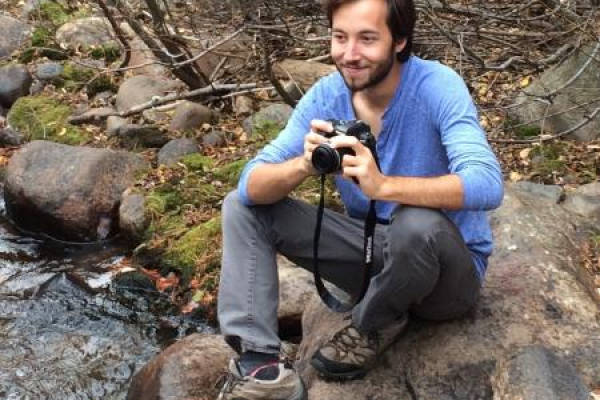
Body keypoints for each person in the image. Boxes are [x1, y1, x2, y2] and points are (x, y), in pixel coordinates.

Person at [215, 0, 504, 398]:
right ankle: (261, 367)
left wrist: (383, 186)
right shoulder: (327, 96)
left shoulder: (436, 86)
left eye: (367, 39)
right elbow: (250, 182)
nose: (349, 54)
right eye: (340, 37)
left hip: (444, 276)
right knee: (243, 207)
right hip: (372, 254)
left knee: (414, 223)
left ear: (399, 40)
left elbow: (487, 183)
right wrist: (304, 165)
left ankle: (374, 323)